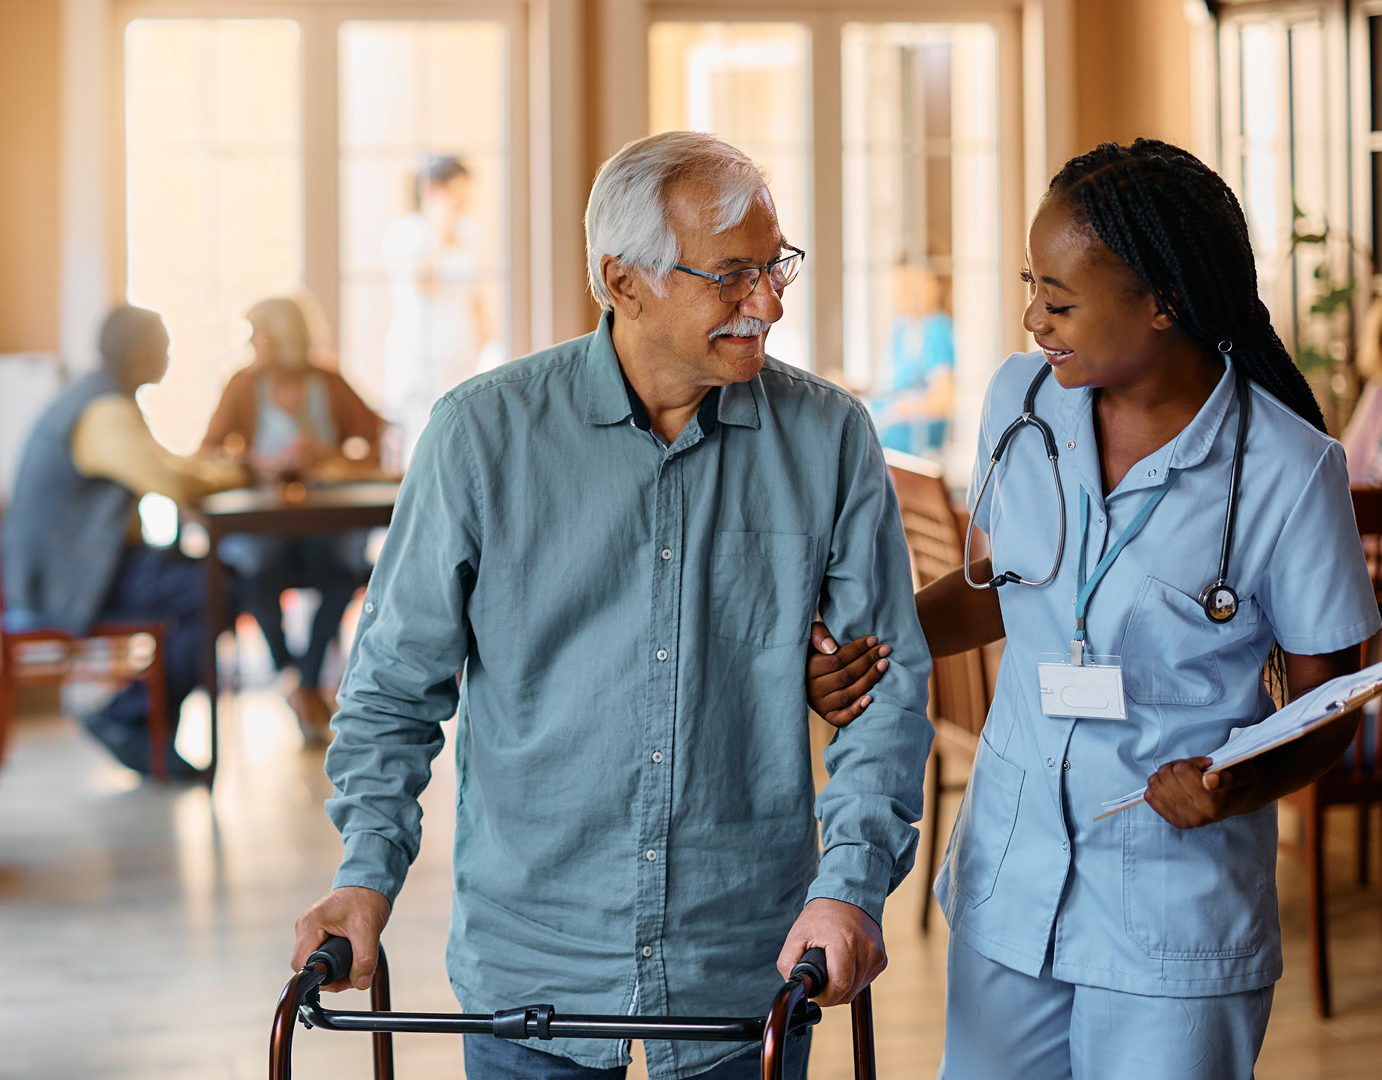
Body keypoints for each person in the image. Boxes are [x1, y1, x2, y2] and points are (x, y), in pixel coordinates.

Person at [291, 131, 935, 1080]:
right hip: (531, 964)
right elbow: (394, 686)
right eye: (732, 276)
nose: (769, 302)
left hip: (746, 964)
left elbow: (886, 695)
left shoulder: (830, 438)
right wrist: (364, 872)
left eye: (775, 267)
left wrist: (850, 888)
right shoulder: (481, 436)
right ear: (623, 280)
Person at [806, 139, 1382, 1080]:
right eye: (1032, 286)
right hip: (1013, 879)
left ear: (1164, 301)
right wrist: (877, 648)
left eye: (1060, 300)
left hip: (1172, 908)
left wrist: (1239, 784)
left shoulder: (1288, 469)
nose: (1033, 317)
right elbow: (998, 589)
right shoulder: (1020, 399)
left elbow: (1330, 699)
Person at [0, 305, 247, 779]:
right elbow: (171, 480)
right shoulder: (103, 411)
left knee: (212, 579)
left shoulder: (101, 398)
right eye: (164, 346)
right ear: (138, 353)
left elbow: (166, 468)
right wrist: (239, 472)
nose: (171, 355)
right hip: (68, 579)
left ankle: (144, 722)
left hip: (76, 565)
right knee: (218, 589)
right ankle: (129, 720)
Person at [200, 297, 391, 742]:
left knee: (344, 572)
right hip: (265, 522)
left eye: (259, 336)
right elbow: (209, 451)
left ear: (285, 338)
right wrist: (256, 463)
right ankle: (296, 677)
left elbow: (375, 435)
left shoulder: (329, 381)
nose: (252, 346)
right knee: (259, 571)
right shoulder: (243, 385)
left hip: (326, 518)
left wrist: (328, 456)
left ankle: (302, 682)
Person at [381, 154, 499, 463]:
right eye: (456, 190)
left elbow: (478, 297)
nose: (463, 200)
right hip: (417, 354)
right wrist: (438, 224)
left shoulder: (471, 233)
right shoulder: (404, 234)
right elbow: (425, 283)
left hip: (460, 351)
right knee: (419, 441)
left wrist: (489, 348)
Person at [867, 262, 956, 458]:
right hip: (887, 445)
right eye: (896, 289)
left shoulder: (936, 331)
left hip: (916, 452)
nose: (898, 297)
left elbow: (943, 400)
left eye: (906, 289)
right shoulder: (902, 329)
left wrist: (901, 409)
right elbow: (892, 388)